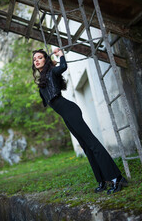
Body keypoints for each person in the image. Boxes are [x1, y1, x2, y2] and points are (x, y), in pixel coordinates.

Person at [32, 47, 128, 194]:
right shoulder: (43, 80)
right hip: (66, 115)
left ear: (45, 60)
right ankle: (102, 180)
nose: (36, 60)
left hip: (71, 111)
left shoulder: (52, 72)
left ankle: (116, 178)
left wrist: (61, 55)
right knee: (86, 147)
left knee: (92, 144)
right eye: (34, 59)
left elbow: (63, 67)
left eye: (39, 57)